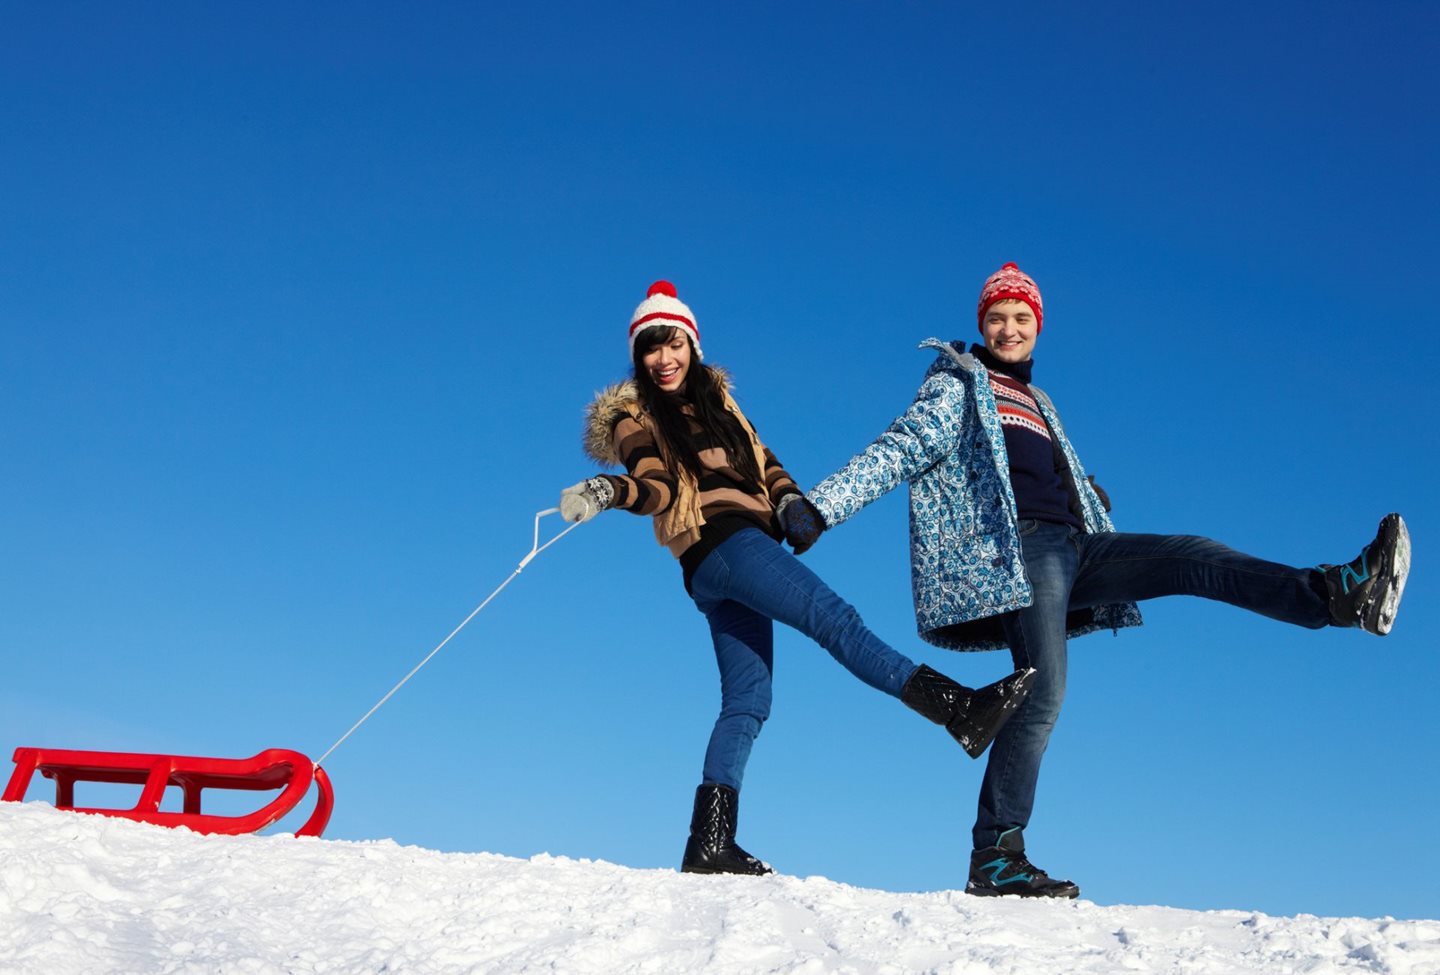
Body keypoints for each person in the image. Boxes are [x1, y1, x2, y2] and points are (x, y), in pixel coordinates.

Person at [784, 261, 1411, 899]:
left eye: (1021, 318)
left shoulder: (1038, 400)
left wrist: (1085, 493)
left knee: (1193, 554)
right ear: (981, 324)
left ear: (1038, 327)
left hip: (1077, 545)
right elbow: (902, 447)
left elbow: (1037, 470)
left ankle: (1334, 594)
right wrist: (822, 506)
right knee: (1043, 692)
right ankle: (996, 853)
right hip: (1019, 551)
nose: (1009, 329)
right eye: (997, 318)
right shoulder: (957, 385)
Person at [557, 280, 1035, 877]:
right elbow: (653, 484)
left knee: (748, 699)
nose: (663, 358)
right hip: (724, 543)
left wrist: (791, 505)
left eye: (672, 342)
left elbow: (768, 464)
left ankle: (709, 842)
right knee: (834, 620)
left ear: (692, 344)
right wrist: (609, 491)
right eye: (650, 347)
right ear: (638, 356)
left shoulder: (723, 408)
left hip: (723, 559)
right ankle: (956, 708)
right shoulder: (635, 415)